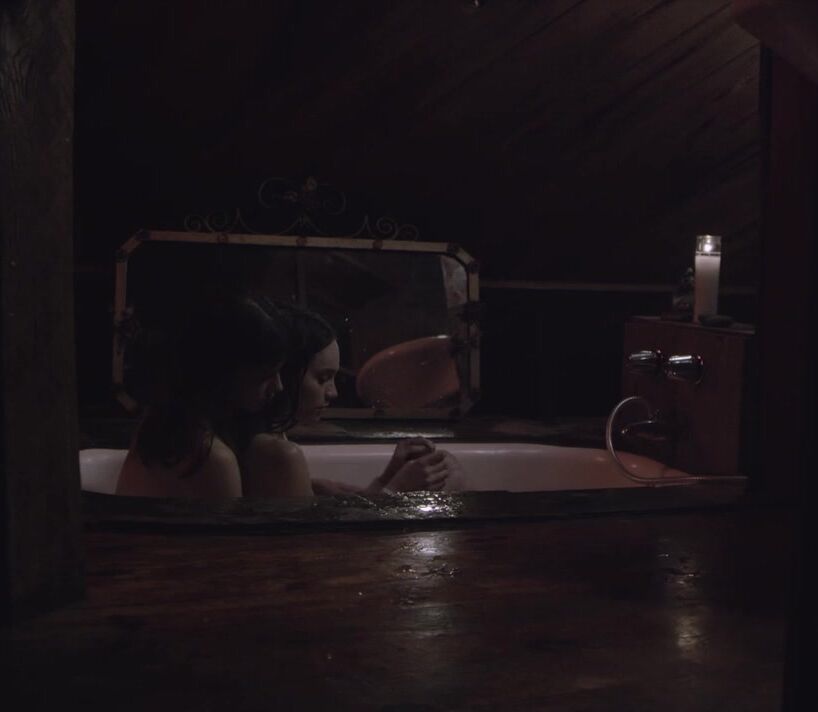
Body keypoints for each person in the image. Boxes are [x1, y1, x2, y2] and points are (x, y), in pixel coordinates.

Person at [240, 301, 465, 497]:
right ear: (287, 375)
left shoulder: (275, 440)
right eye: (322, 379)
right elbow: (319, 536)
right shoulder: (278, 454)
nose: (333, 393)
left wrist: (388, 476)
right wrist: (398, 488)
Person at [116, 297, 309, 499]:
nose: (278, 387)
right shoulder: (211, 459)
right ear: (224, 376)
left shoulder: (156, 432)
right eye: (264, 377)